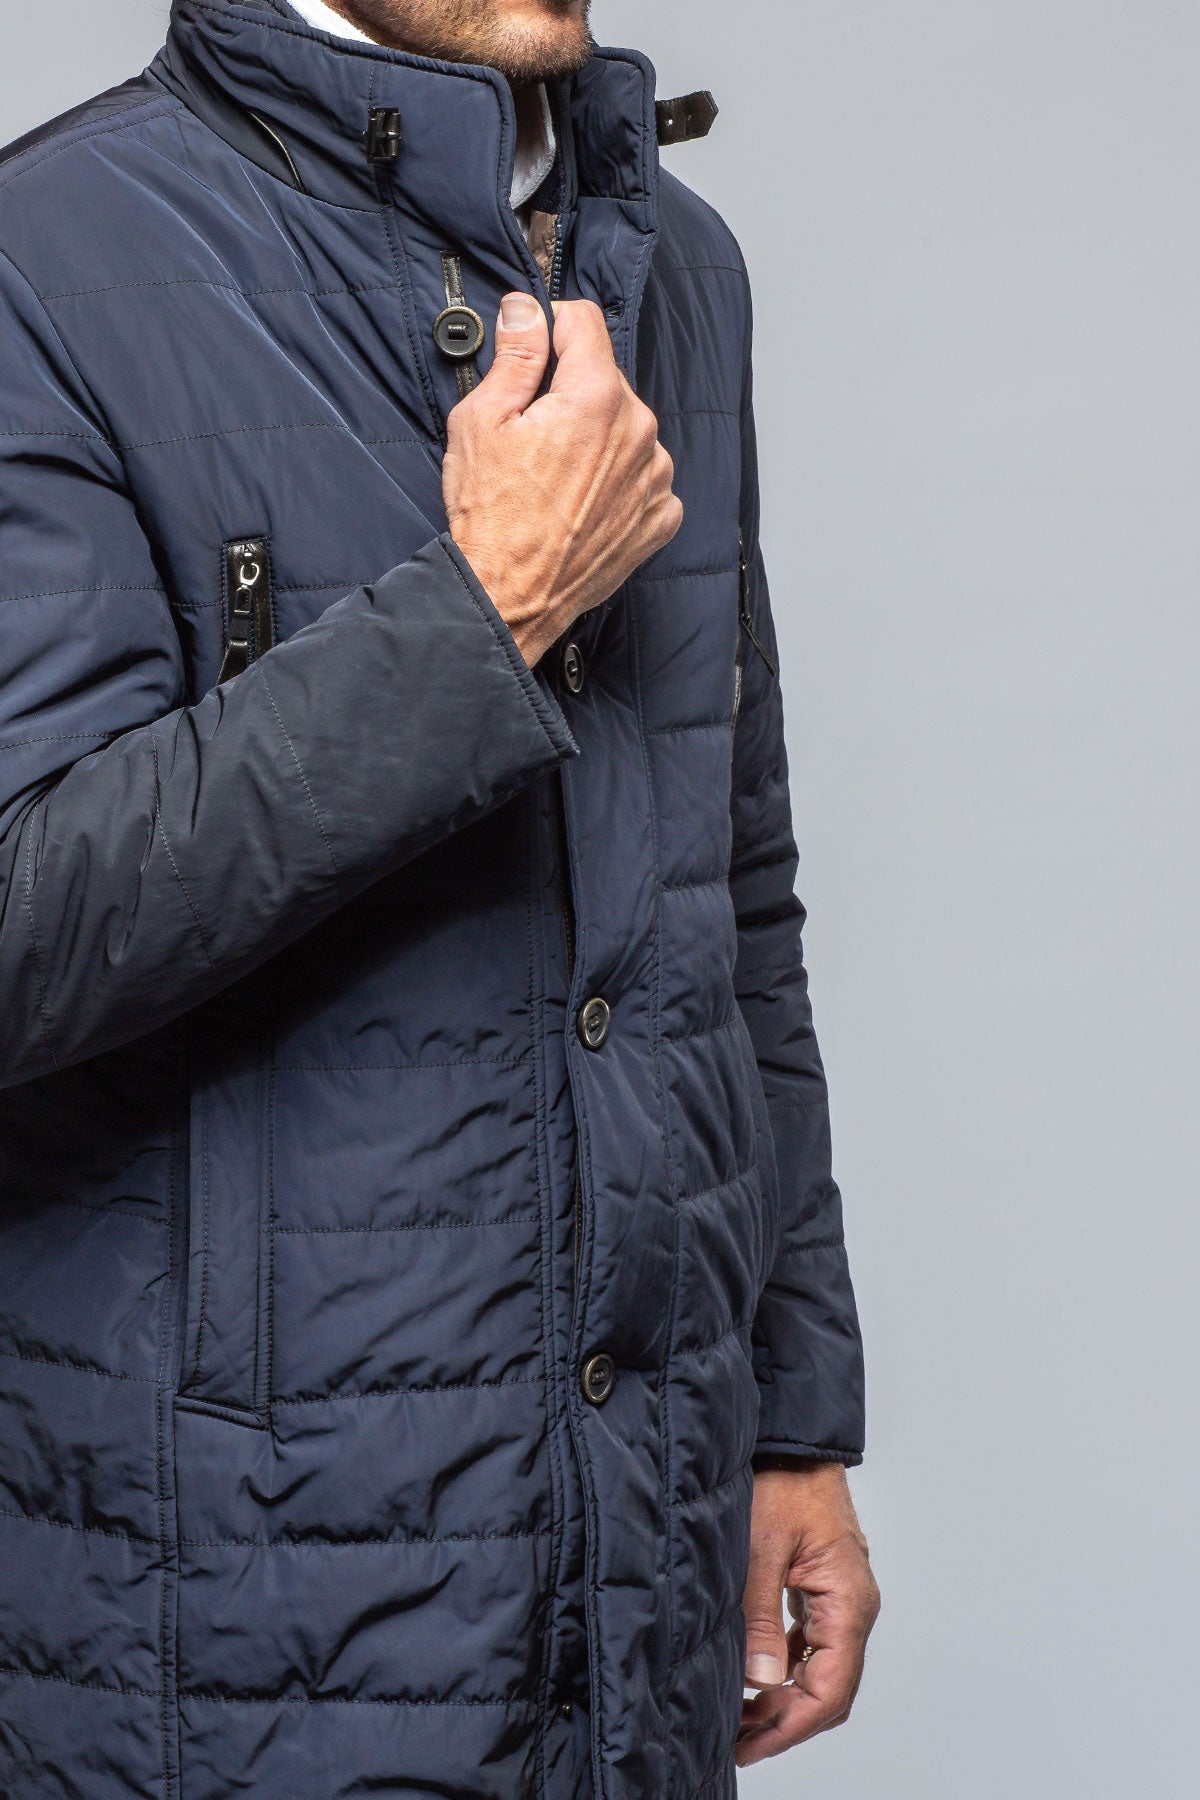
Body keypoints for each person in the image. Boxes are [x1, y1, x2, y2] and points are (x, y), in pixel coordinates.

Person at [0, 0, 879, 1793]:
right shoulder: (48, 257)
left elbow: (733, 895)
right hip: (226, 1594)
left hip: (639, 1547)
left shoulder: (678, 269)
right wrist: (483, 618)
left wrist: (788, 1420)